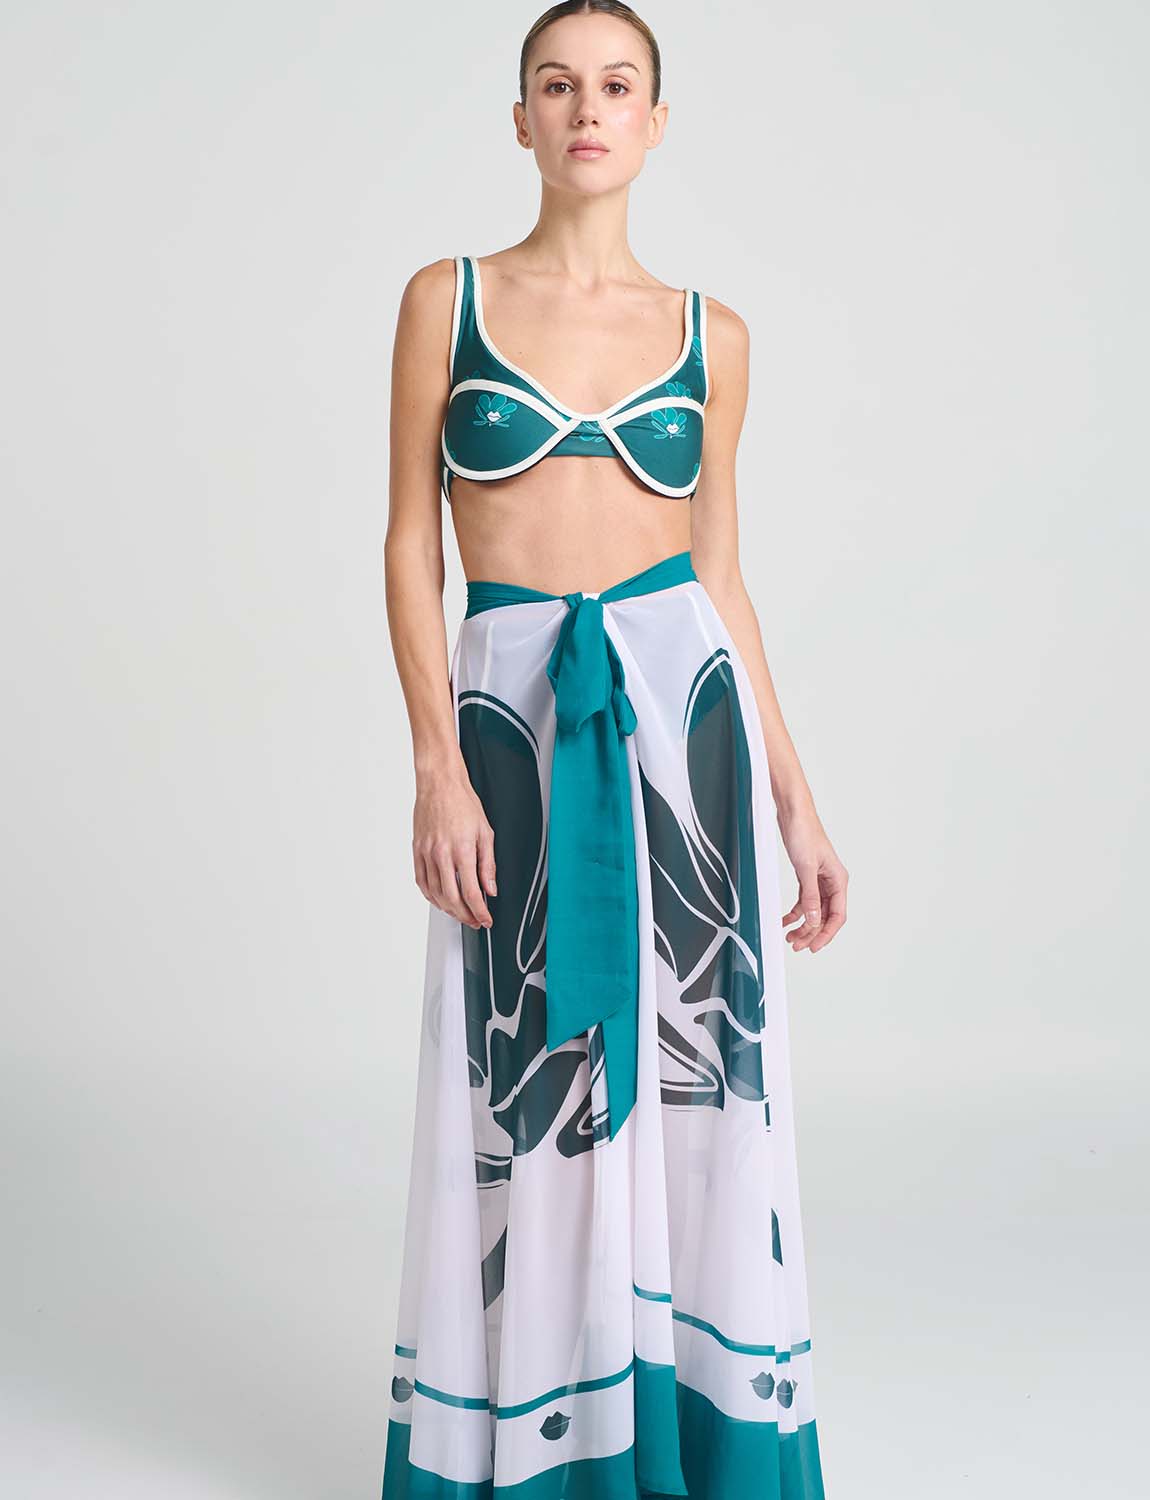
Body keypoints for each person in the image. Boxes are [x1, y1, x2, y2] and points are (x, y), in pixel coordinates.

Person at [380, 3, 847, 1495]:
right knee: (530, 1076)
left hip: (681, 733)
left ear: (654, 120)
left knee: (701, 1077)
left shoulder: (714, 336)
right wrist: (436, 768)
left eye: (617, 85)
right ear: (520, 118)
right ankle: (545, 1444)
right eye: (557, 84)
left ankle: (692, 1441)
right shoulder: (445, 300)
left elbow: (723, 579)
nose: (588, 109)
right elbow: (409, 548)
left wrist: (797, 802)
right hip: (512, 731)